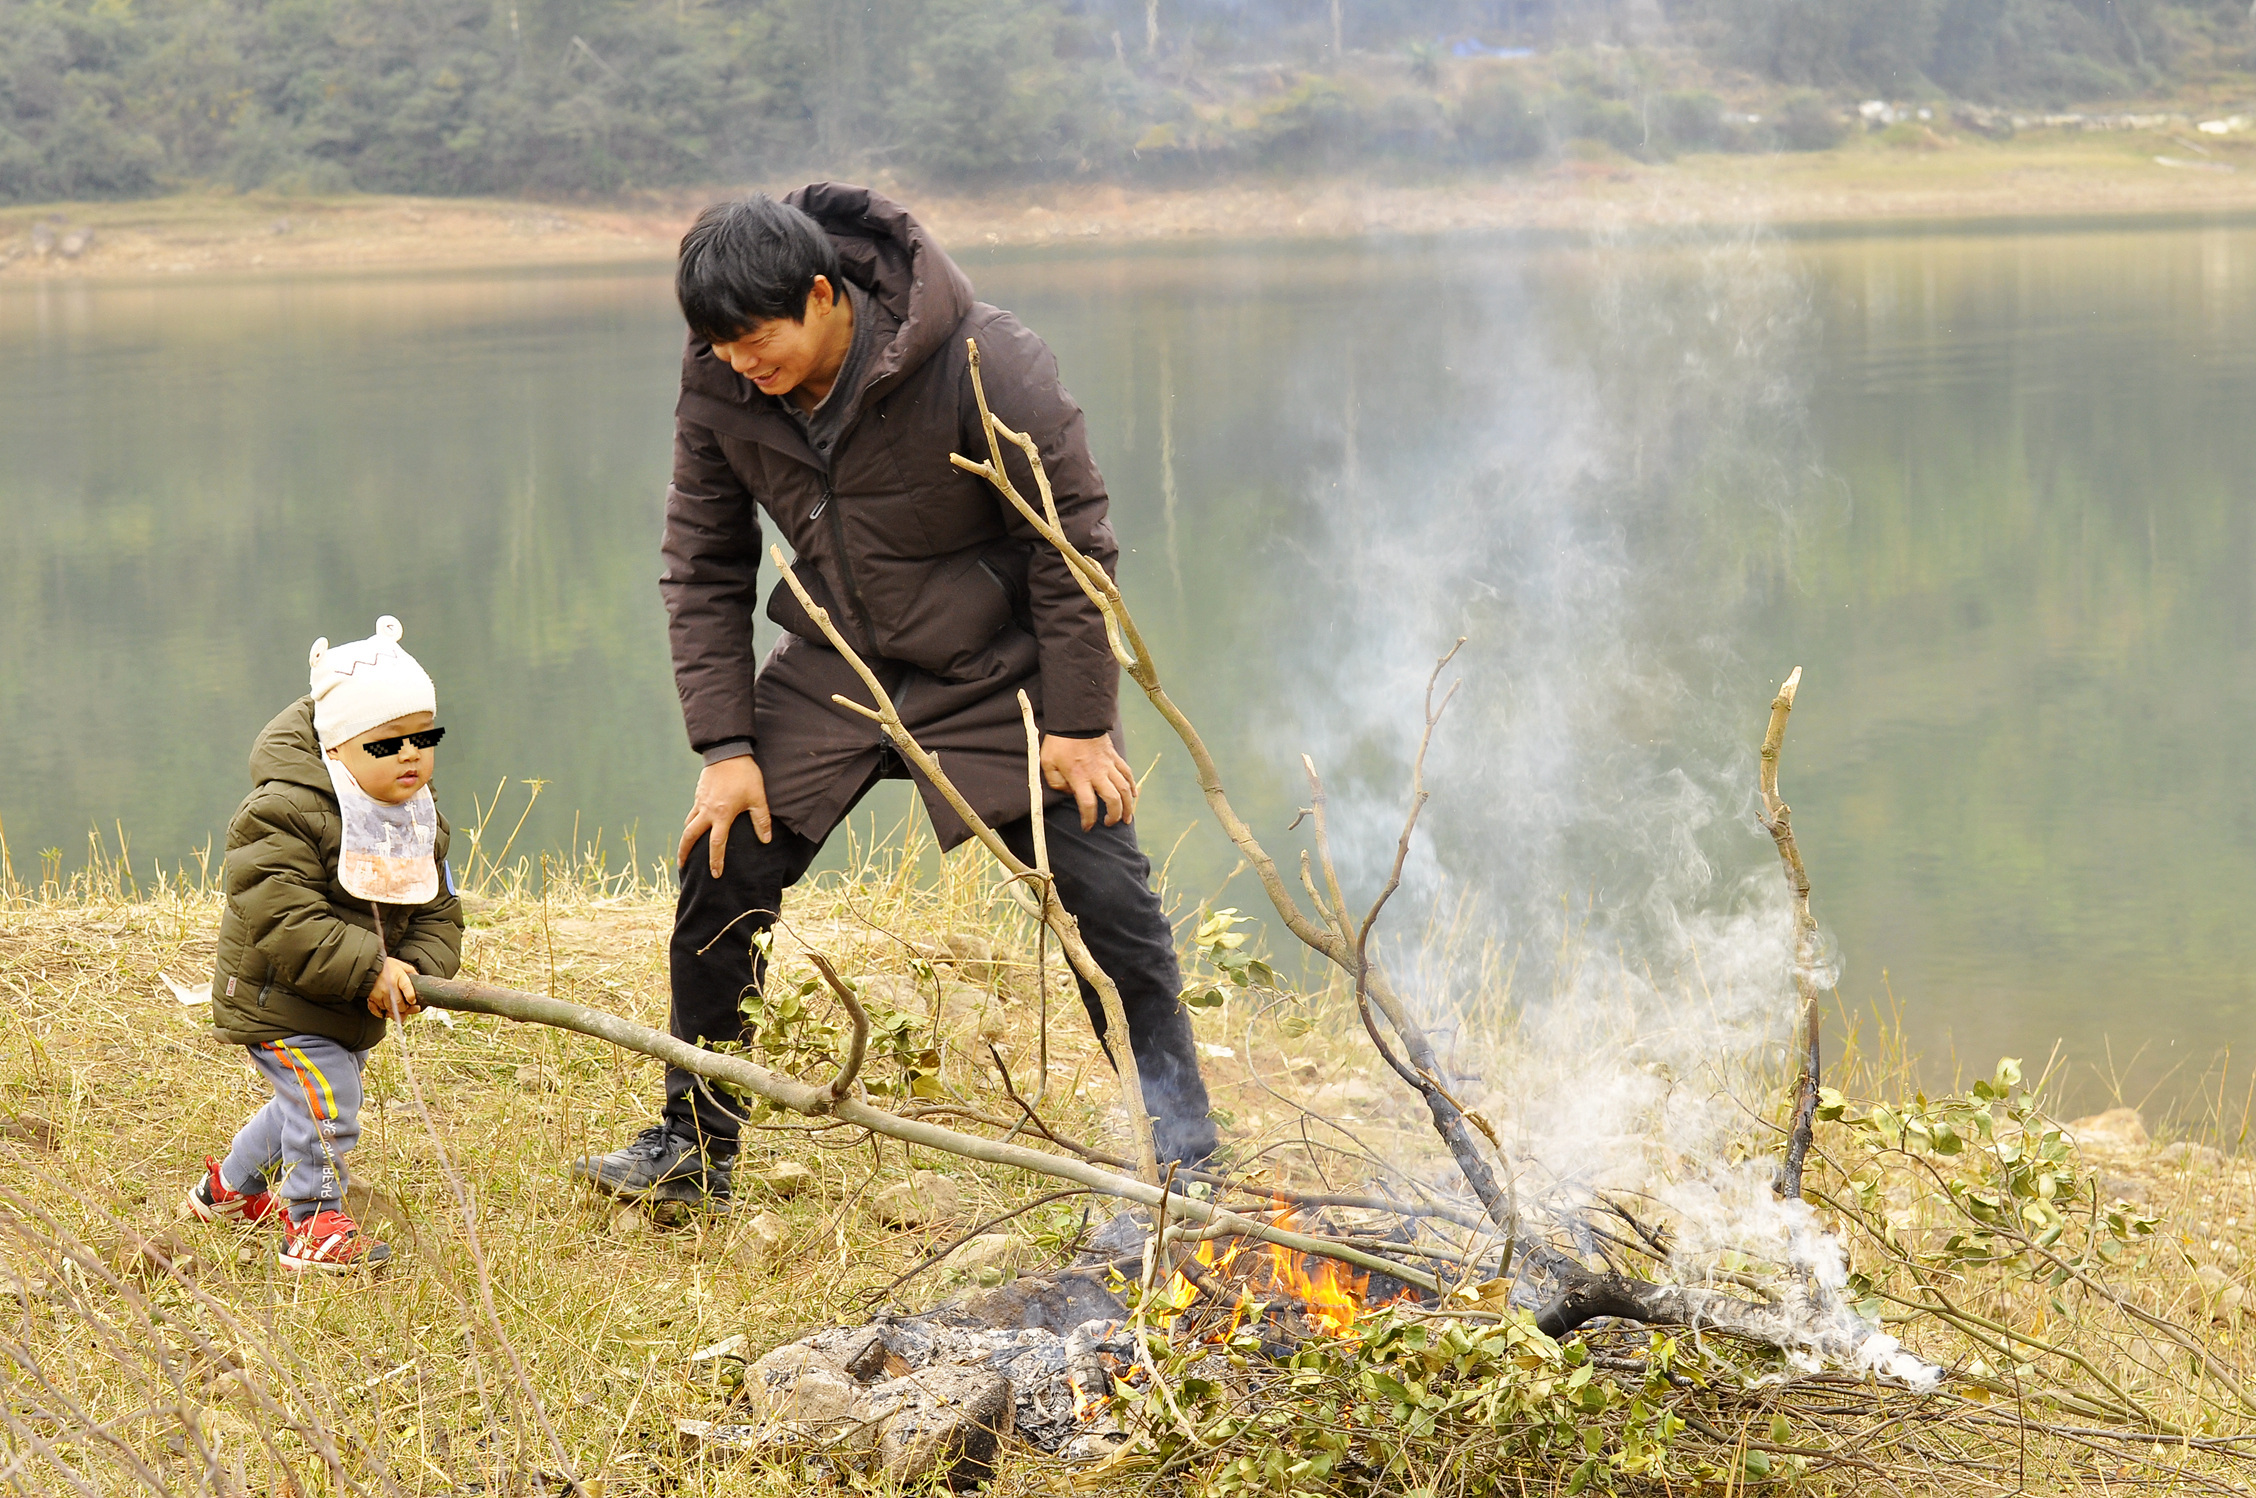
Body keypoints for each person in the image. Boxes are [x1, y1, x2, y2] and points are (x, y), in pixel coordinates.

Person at [572, 185, 1215, 1210]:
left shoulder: (984, 360)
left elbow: (1070, 546)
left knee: (1108, 893)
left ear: (825, 295)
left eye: (755, 338)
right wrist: (725, 744)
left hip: (992, 664)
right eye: (718, 345)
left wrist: (1082, 722)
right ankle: (693, 1145)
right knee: (724, 856)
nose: (741, 363)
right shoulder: (720, 380)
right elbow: (702, 563)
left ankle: (1184, 1159)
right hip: (839, 657)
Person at [189, 616, 462, 1272]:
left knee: (305, 1104)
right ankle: (312, 1225)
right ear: (337, 750)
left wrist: (417, 971)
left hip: (341, 1001)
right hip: (276, 997)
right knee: (327, 1102)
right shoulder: (279, 811)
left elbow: (439, 909)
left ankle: (227, 1190)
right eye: (386, 743)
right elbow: (283, 918)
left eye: (422, 736)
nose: (409, 755)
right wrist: (371, 966)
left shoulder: (413, 814)